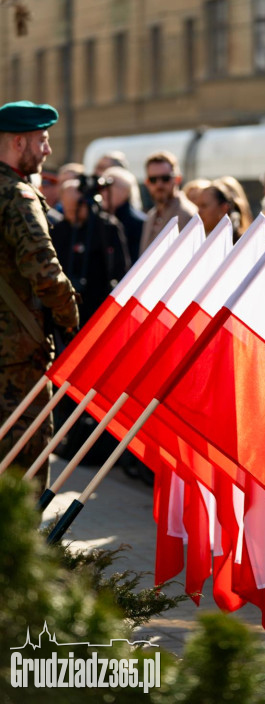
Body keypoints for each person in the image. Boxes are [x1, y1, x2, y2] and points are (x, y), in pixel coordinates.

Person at [0, 100, 79, 489]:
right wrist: (72, 323)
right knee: (22, 477)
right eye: (42, 140)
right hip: (16, 362)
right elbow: (46, 274)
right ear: (19, 142)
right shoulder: (17, 197)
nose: (47, 150)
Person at [51, 177, 130, 327]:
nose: (71, 214)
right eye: (67, 209)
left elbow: (121, 267)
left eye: (75, 208)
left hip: (98, 307)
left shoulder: (107, 228)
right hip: (65, 308)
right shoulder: (58, 230)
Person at [139, 151, 197, 253]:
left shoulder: (187, 215)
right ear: (147, 182)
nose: (159, 185)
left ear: (177, 179)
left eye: (165, 178)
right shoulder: (151, 216)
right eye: (153, 180)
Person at [99, 166, 147, 263]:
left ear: (125, 190)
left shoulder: (138, 223)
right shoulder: (99, 219)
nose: (103, 192)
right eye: (102, 187)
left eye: (108, 187)